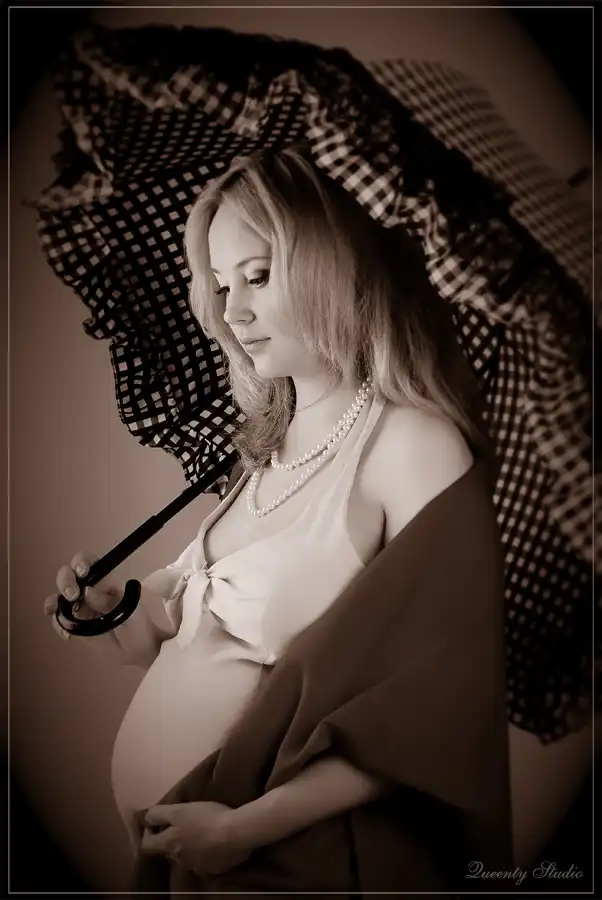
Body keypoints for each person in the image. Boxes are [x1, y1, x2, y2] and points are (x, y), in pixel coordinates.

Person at [41, 147, 584, 884]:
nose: (232, 312)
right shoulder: (265, 446)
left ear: (333, 265)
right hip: (189, 861)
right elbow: (184, 634)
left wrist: (244, 829)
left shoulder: (412, 446)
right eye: (220, 284)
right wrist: (110, 612)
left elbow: (436, 703)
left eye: (259, 276)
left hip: (296, 861)